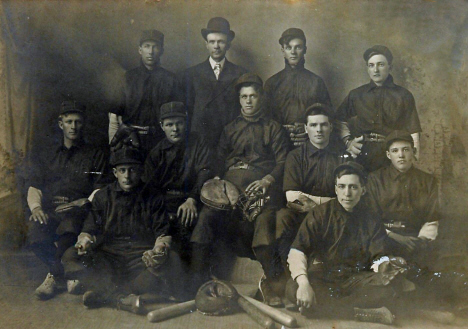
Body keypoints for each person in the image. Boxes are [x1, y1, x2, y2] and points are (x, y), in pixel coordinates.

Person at [190, 73, 290, 306]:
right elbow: (217, 161)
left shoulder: (273, 128)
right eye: (244, 96)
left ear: (261, 98)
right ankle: (197, 281)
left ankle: (273, 286)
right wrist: (219, 185)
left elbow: (284, 162)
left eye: (253, 96)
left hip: (261, 193)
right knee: (206, 218)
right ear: (239, 99)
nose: (248, 101)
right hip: (230, 193)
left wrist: (267, 180)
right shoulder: (230, 129)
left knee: (265, 224)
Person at [62, 147, 189, 311]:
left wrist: (158, 251)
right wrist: (84, 243)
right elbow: (90, 229)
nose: (127, 176)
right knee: (71, 255)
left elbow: (162, 233)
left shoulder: (154, 196)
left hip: (141, 257)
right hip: (109, 257)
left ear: (141, 171)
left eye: (132, 170)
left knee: (172, 259)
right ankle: (123, 299)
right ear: (115, 173)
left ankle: (105, 295)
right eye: (122, 170)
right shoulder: (102, 196)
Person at [286, 162, 409, 323]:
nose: (347, 193)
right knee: (292, 287)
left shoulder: (371, 217)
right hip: (324, 276)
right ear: (336, 189)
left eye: (353, 187)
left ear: (363, 190)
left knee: (391, 287)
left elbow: (378, 256)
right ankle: (364, 312)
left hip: (357, 279)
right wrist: (303, 284)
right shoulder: (320, 214)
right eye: (342, 187)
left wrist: (385, 266)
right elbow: (298, 250)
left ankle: (320, 308)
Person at [27, 101, 110, 300]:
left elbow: (101, 188)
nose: (73, 126)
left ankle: (53, 276)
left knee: (70, 223)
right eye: (69, 121)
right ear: (60, 124)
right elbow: (35, 185)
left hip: (81, 210)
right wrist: (37, 208)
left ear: (83, 125)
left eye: (78, 122)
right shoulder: (48, 155)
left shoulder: (94, 154)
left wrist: (84, 202)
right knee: (35, 233)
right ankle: (69, 271)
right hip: (52, 209)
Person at [276, 103, 348, 265]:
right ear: (306, 128)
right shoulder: (295, 156)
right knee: (283, 217)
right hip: (301, 212)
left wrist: (317, 208)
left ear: (330, 127)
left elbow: (347, 197)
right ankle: (287, 272)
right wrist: (325, 203)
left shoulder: (343, 157)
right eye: (313, 125)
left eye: (323, 125)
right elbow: (292, 196)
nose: (319, 130)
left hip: (333, 215)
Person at [143, 101, 212, 261]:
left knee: (197, 232)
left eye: (179, 123)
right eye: (169, 124)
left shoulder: (197, 143)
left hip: (192, 200)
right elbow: (149, 187)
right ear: (162, 126)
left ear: (186, 122)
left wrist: (192, 199)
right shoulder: (156, 153)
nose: (175, 129)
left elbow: (205, 171)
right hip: (164, 204)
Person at [335, 45, 422, 172]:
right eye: (371, 65)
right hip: (363, 154)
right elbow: (338, 119)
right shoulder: (357, 94)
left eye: (380, 64)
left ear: (390, 67)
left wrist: (413, 157)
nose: (375, 70)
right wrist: (348, 142)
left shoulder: (403, 95)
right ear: (367, 69)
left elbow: (413, 130)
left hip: (391, 153)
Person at [365, 130, 440, 264]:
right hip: (383, 237)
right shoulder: (375, 179)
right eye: (395, 151)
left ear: (414, 151)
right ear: (388, 155)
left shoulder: (428, 181)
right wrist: (395, 237)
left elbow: (432, 218)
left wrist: (421, 240)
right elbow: (370, 218)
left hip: (416, 238)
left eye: (406, 149)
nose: (401, 155)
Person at [109, 29, 182, 154]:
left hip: (160, 140)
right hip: (130, 140)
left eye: (155, 47)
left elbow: (177, 117)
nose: (151, 52)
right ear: (140, 50)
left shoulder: (171, 79)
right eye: (147, 46)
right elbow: (114, 115)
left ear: (162, 51)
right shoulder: (128, 77)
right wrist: (113, 146)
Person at [180, 17, 248, 149]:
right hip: (200, 141)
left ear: (228, 44)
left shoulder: (241, 74)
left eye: (221, 42)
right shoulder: (190, 75)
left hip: (231, 140)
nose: (216, 46)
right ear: (206, 44)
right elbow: (187, 112)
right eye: (212, 42)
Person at [264, 28, 332, 147]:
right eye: (289, 47)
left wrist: (307, 128)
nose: (293, 52)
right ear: (283, 50)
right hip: (278, 143)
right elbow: (265, 118)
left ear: (305, 50)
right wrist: (281, 130)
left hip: (310, 142)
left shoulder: (316, 82)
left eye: (298, 47)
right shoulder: (272, 83)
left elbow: (328, 116)